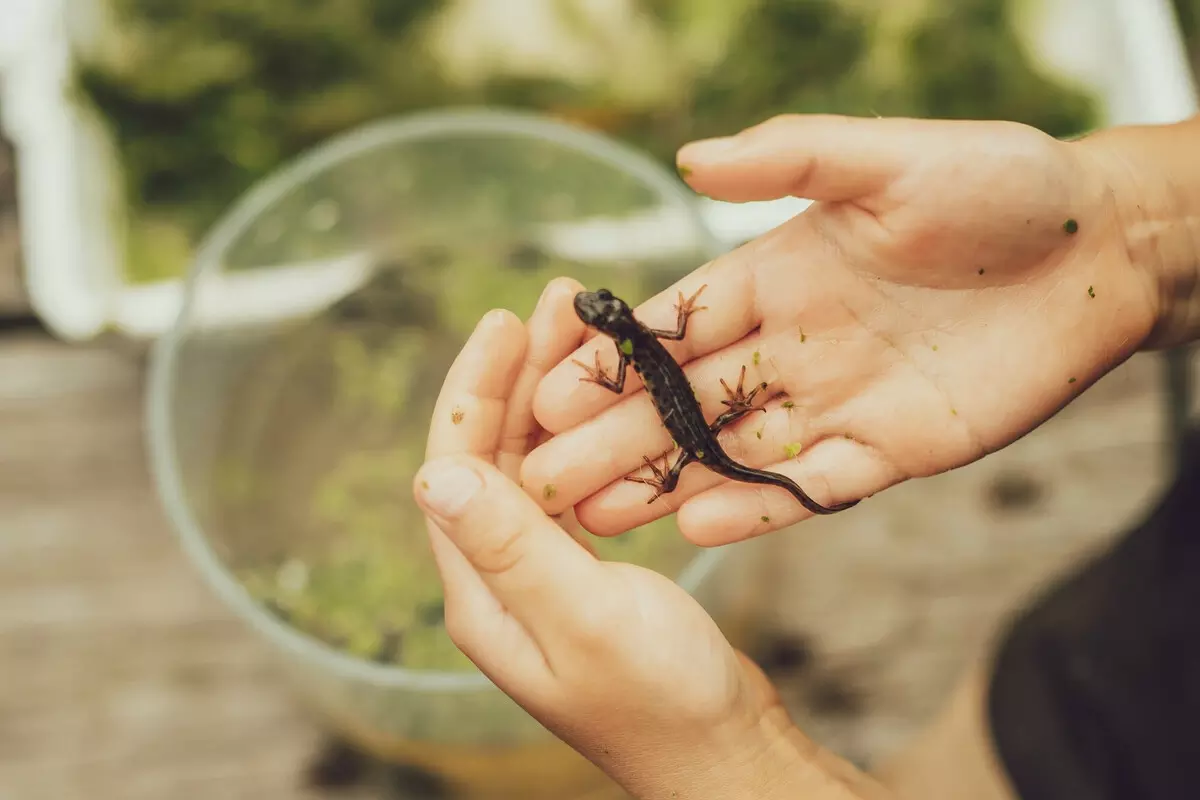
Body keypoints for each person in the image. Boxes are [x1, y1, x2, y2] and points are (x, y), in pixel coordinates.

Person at [411, 112, 1200, 800]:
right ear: (617, 320)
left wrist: (738, 760)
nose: (596, 313)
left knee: (697, 447)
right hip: (1119, 660)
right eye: (600, 314)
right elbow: (672, 346)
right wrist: (1137, 227)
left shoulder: (629, 352)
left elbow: (652, 372)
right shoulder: (644, 338)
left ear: (608, 322)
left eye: (599, 312)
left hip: (703, 441)